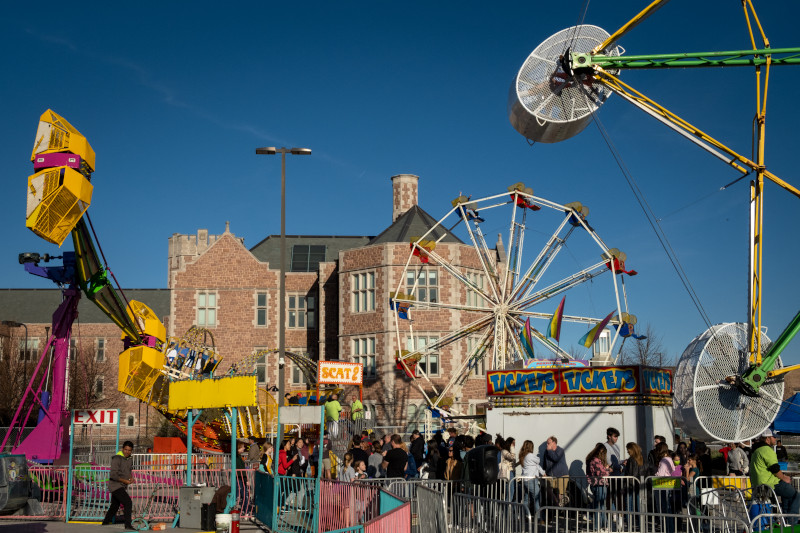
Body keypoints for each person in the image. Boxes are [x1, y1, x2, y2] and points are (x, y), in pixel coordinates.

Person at [750, 429, 800, 525]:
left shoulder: (756, 450)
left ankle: (786, 519)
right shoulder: (766, 449)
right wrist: (784, 477)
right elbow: (775, 468)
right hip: (770, 484)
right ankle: (791, 521)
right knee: (796, 495)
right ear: (767, 438)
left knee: (787, 494)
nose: (776, 439)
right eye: (774, 437)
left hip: (759, 484)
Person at [102, 440, 135, 530]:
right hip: (115, 485)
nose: (127, 452)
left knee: (115, 506)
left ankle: (105, 523)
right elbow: (113, 475)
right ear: (122, 449)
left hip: (122, 485)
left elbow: (128, 471)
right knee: (128, 502)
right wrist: (125, 481)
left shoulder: (130, 459)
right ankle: (128, 525)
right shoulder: (117, 458)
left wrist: (131, 478)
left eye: (129, 450)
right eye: (126, 449)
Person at [586, 442, 611, 531]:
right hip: (599, 483)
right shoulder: (595, 460)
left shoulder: (592, 459)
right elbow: (601, 473)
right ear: (601, 451)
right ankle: (599, 526)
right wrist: (607, 469)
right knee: (599, 505)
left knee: (601, 505)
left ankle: (604, 525)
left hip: (599, 483)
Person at [519, 440, 545, 519]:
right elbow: (538, 460)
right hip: (531, 479)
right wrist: (543, 472)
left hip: (526, 480)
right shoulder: (530, 455)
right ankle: (539, 517)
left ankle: (525, 515)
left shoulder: (523, 456)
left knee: (527, 498)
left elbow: (536, 465)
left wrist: (542, 472)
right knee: (537, 498)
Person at [541, 436, 569, 507]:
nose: (547, 445)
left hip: (561, 475)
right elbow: (545, 463)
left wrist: (549, 451)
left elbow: (556, 458)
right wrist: (544, 472)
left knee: (560, 493)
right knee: (547, 490)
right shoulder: (546, 452)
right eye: (547, 443)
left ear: (554, 443)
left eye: (548, 443)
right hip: (551, 476)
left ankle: (562, 507)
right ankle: (557, 505)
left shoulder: (560, 450)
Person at [622, 442, 648, 516]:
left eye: (628, 449)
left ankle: (629, 525)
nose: (627, 451)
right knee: (640, 507)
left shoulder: (631, 459)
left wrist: (624, 487)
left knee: (629, 507)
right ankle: (641, 525)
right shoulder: (643, 458)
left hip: (630, 485)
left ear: (631, 450)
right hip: (641, 484)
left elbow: (629, 474)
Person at [498, 435, 517, 501]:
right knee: (510, 494)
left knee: (513, 493)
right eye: (513, 443)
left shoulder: (509, 452)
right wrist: (512, 448)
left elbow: (512, 464)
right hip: (508, 474)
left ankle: (510, 510)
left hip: (512, 472)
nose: (514, 445)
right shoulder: (504, 451)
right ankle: (507, 510)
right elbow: (512, 458)